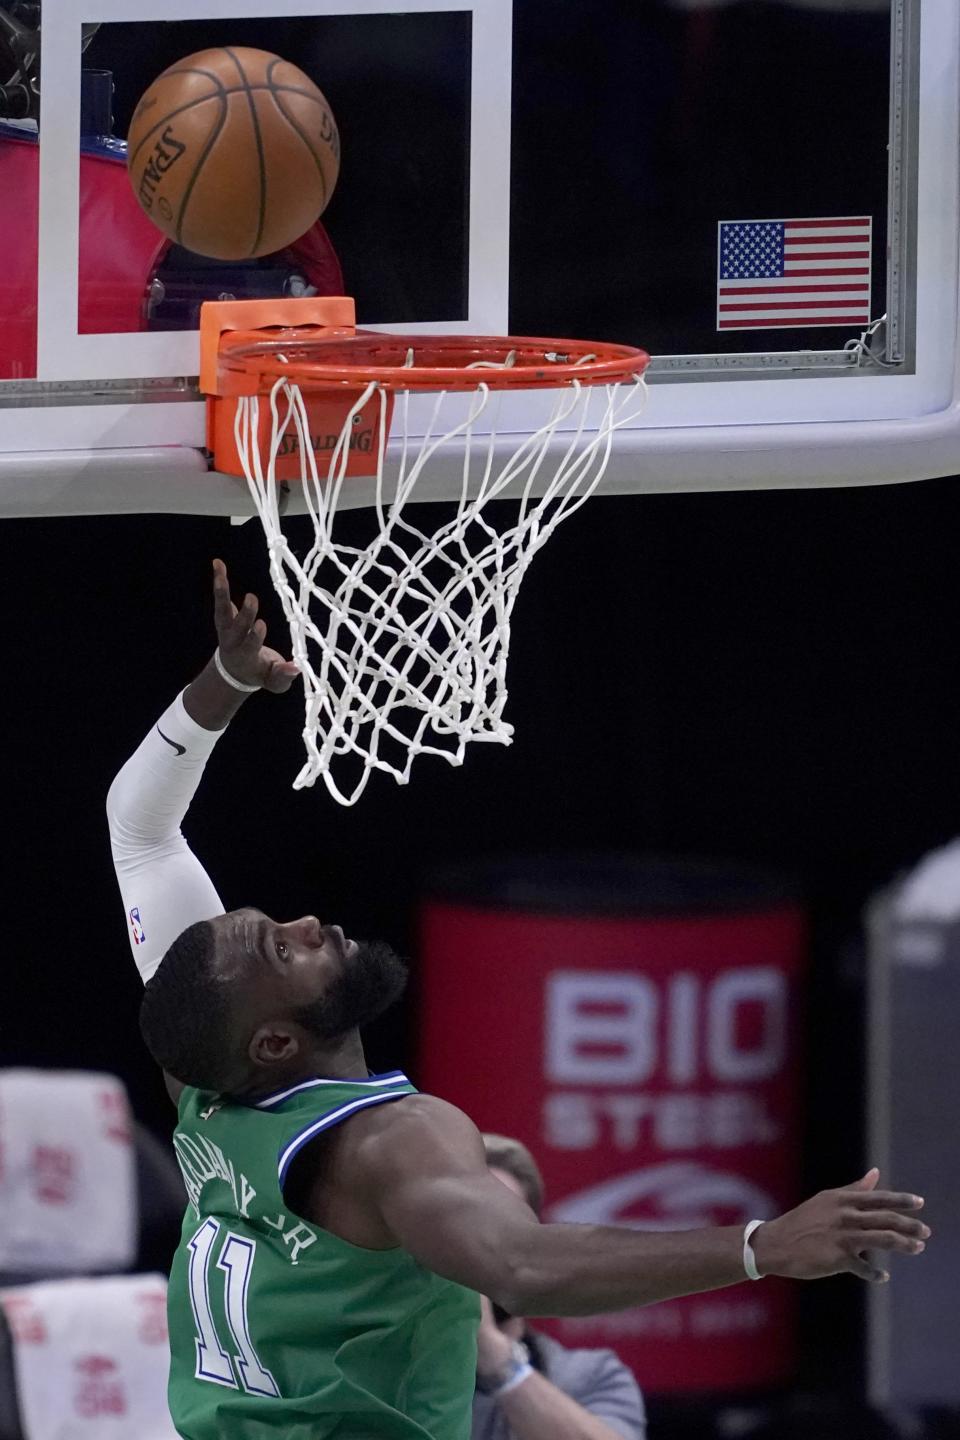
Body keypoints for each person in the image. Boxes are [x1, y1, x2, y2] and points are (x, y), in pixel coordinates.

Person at [107, 559, 932, 1440]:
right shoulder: (388, 1141)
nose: (310, 923)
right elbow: (522, 1265)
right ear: (275, 1044)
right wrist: (764, 1246)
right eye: (284, 947)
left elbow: (142, 833)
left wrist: (224, 681)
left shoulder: (202, 1076)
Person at [474, 1134, 646, 1440]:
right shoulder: (382, 1371)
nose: (479, 1246)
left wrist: (495, 1359)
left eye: (501, 1222)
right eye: (462, 1226)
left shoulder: (588, 1376)